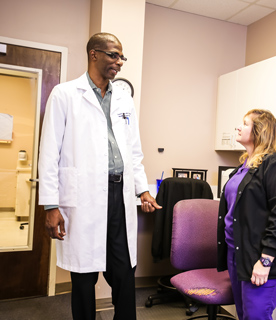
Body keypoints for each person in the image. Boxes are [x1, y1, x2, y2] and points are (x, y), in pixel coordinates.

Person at [38, 32, 161, 320]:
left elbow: (132, 150)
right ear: (94, 54)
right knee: (84, 275)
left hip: (119, 195)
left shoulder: (124, 99)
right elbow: (49, 154)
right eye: (113, 55)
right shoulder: (65, 94)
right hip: (84, 195)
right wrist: (51, 205)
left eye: (121, 57)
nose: (119, 62)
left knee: (124, 271)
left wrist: (142, 189)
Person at [217, 109, 276, 320]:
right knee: (244, 314)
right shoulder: (245, 165)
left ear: (259, 131)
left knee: (256, 316)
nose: (238, 127)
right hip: (237, 252)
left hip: (260, 257)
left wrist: (265, 261)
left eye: (244, 124)